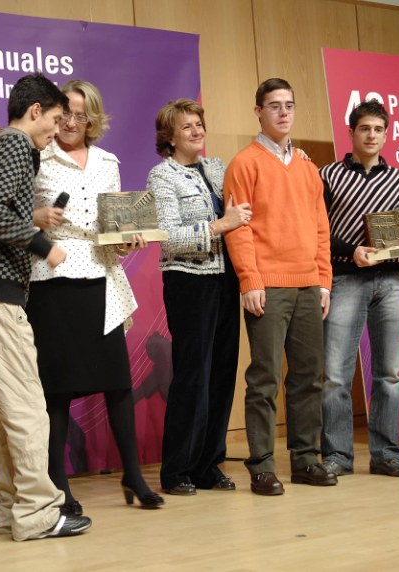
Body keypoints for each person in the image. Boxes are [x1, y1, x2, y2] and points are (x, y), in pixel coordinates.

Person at [0, 73, 92, 540]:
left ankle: (15, 507)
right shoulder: (15, 146)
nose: (55, 130)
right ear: (34, 112)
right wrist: (40, 244)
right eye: (53, 119)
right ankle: (40, 513)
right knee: (26, 406)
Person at [27, 80, 164, 514]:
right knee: (58, 389)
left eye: (80, 114)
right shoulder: (37, 157)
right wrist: (39, 220)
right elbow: (18, 218)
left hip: (103, 276)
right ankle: (59, 486)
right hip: (54, 276)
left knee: (118, 383)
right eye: (64, 112)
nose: (70, 121)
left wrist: (127, 241)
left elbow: (114, 225)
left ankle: (134, 475)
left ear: (93, 119)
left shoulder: (108, 162)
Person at [223, 78, 337, 496]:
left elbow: (321, 228)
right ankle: (262, 466)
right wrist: (250, 279)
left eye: (289, 104)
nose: (283, 112)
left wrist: (323, 280)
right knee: (265, 379)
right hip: (267, 287)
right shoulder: (244, 163)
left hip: (309, 285)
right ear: (259, 111)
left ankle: (306, 460)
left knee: (309, 377)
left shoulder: (308, 167)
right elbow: (238, 229)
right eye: (274, 106)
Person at [148, 99, 252, 496]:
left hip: (226, 279)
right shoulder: (162, 175)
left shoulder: (218, 168)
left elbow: (256, 183)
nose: (196, 131)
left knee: (223, 372)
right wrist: (219, 226)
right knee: (194, 373)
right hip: (189, 281)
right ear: (169, 137)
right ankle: (177, 470)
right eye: (186, 126)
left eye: (198, 124)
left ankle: (210, 464)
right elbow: (170, 237)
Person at [320, 99, 399, 478]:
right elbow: (318, 235)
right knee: (334, 374)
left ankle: (386, 455)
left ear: (386, 134)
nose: (371, 135)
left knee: (389, 374)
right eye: (364, 128)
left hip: (392, 282)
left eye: (378, 129)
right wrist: (352, 252)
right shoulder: (328, 175)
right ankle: (337, 455)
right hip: (346, 277)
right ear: (351, 132)